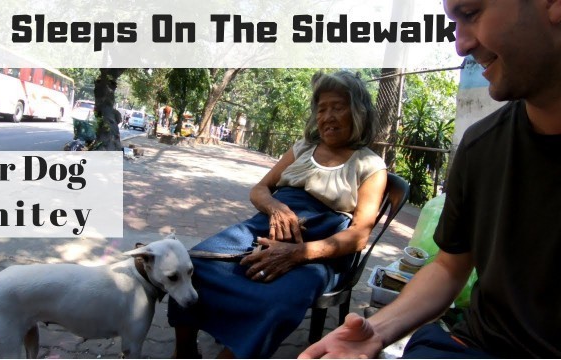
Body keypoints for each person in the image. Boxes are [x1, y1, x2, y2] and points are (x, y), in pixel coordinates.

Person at [299, 0, 561, 358]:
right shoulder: (481, 146)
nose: (461, 44)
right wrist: (375, 332)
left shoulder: (368, 165)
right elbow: (450, 267)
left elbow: (358, 233)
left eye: (471, 14)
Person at [168, 71, 388, 358]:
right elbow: (260, 189)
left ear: (357, 112)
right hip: (262, 227)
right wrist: (276, 207)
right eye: (322, 109)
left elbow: (359, 236)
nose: (328, 116)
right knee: (193, 266)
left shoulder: (370, 165)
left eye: (337, 107)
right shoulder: (303, 149)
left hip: (318, 249)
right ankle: (184, 352)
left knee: (276, 302)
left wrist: (296, 253)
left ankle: (235, 352)